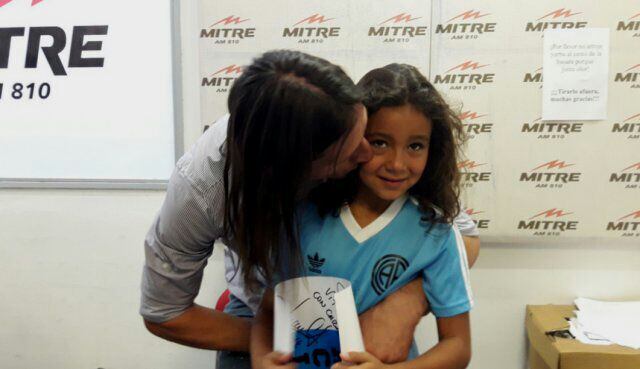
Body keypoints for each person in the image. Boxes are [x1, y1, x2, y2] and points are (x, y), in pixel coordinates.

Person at [140, 50, 452, 366]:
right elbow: (164, 313)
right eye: (347, 154)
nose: (367, 154)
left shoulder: (328, 111)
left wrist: (408, 301)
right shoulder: (202, 191)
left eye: (365, 131)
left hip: (360, 314)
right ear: (296, 171)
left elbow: (459, 240)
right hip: (261, 308)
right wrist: (272, 346)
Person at [251, 64, 473, 369]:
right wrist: (261, 360)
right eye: (380, 142)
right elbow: (267, 314)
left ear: (433, 149)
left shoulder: (437, 233)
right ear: (354, 138)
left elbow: (458, 346)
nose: (397, 163)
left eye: (415, 146)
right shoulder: (303, 215)